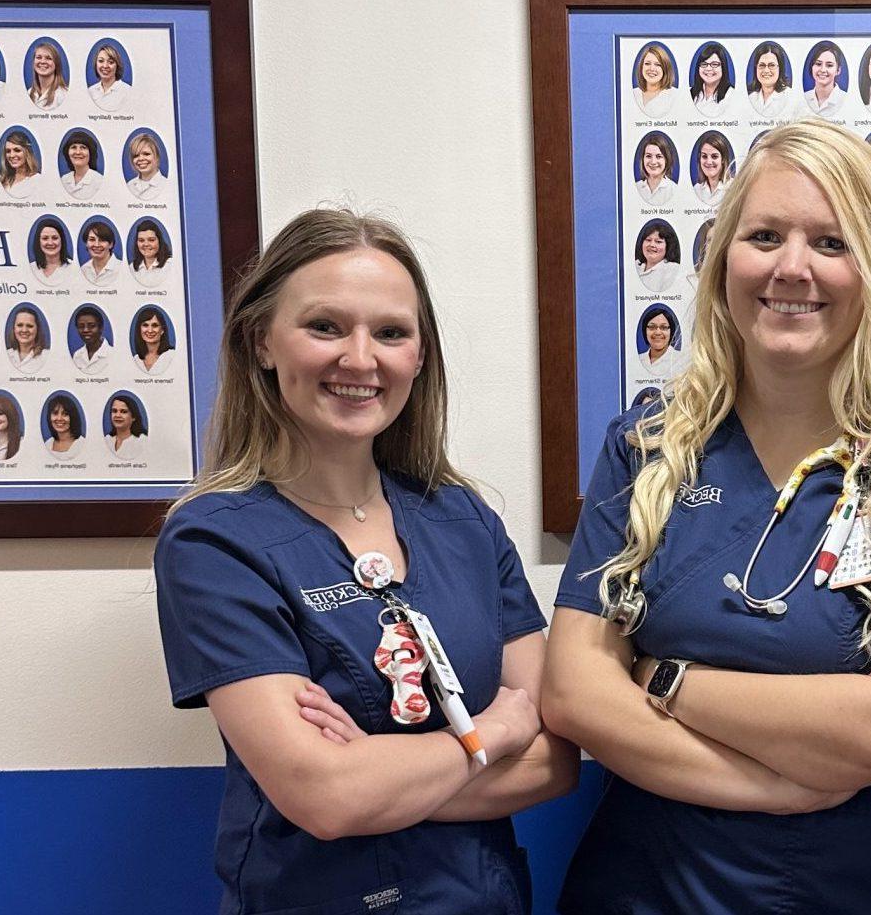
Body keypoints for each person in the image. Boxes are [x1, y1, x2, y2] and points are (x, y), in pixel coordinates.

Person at [542, 118, 871, 913]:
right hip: (656, 885)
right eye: (765, 235)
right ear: (722, 261)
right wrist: (770, 788)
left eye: (831, 242)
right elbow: (575, 690)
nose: (792, 267)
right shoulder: (646, 446)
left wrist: (665, 678)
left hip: (864, 886)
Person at [153, 207, 573, 914]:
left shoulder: (464, 520)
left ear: (418, 355)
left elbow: (556, 763)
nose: (360, 357)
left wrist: (376, 774)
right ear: (262, 341)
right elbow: (325, 795)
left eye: (390, 332)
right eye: (325, 326)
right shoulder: (213, 543)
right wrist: (493, 731)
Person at [745, 40, 802, 120]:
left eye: (772, 65)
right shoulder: (751, 98)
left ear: (780, 68)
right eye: (762, 65)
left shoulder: (791, 97)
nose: (766, 70)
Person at [632, 304, 682, 378]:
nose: (658, 332)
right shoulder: (638, 360)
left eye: (664, 327)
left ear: (671, 331)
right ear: (644, 330)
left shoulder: (680, 360)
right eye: (652, 327)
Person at [632, 219, 681, 294]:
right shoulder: (635, 265)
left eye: (658, 242)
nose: (652, 245)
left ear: (668, 246)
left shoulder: (673, 269)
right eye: (648, 240)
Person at [801, 40, 847, 118]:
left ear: (838, 70)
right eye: (818, 64)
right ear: (812, 67)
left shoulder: (845, 99)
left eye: (829, 65)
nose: (822, 70)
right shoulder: (803, 98)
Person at [688, 41, 734, 118]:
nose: (708, 68)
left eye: (714, 64)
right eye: (704, 64)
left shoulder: (731, 95)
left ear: (723, 67)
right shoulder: (690, 93)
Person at [631, 41, 678, 117]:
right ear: (641, 67)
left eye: (658, 65)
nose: (652, 68)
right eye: (647, 63)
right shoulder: (633, 93)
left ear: (665, 69)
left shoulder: (675, 96)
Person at [690, 130, 733, 207]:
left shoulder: (733, 187)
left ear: (723, 159)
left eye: (714, 156)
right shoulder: (696, 189)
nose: (709, 162)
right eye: (704, 156)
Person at [633, 132, 676, 207]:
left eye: (659, 156)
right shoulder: (636, 187)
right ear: (643, 159)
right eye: (648, 156)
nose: (653, 162)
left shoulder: (673, 189)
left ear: (667, 160)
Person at [88, 39, 132, 111]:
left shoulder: (128, 92)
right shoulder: (90, 91)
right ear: (96, 64)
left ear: (117, 65)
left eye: (111, 62)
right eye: (101, 61)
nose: (105, 66)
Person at [59, 129, 103, 200]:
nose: (78, 152)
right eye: (73, 147)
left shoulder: (99, 181)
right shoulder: (63, 179)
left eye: (83, 147)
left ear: (91, 153)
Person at [80, 218, 124, 287]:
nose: (96, 245)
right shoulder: (83, 269)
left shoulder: (122, 269)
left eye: (102, 240)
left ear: (111, 244)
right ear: (86, 243)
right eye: (92, 239)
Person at [0, 130, 43, 200]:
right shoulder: (1, 179)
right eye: (8, 151)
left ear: (27, 152)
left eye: (17, 150)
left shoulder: (37, 180)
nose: (12, 155)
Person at [29, 217, 73, 287]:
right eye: (45, 238)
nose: (50, 243)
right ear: (38, 241)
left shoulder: (73, 267)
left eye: (55, 238)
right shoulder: (31, 268)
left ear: (62, 240)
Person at [125, 132, 168, 202]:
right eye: (136, 155)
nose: (141, 158)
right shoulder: (130, 185)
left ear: (157, 157)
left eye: (146, 154)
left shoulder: (166, 185)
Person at [132, 307, 175, 375]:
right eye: (145, 325)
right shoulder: (136, 360)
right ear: (139, 330)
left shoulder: (172, 356)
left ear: (162, 330)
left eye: (155, 325)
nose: (150, 330)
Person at [27, 39, 68, 109]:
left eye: (48, 58)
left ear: (56, 64)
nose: (42, 61)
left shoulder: (64, 95)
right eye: (39, 57)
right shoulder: (29, 92)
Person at [6, 305, 47, 374]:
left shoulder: (46, 355)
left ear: (37, 329)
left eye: (30, 326)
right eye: (20, 325)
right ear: (14, 328)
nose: (24, 330)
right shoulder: (6, 354)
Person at [104, 392, 145, 460]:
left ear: (133, 417)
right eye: (114, 411)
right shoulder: (107, 439)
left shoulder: (141, 441)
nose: (117, 415)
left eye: (123, 411)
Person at [70, 305, 110, 373]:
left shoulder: (112, 354)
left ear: (101, 328)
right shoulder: (77, 355)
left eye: (91, 326)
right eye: (81, 326)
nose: (85, 330)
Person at [44, 395, 85, 460]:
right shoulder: (48, 444)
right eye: (55, 413)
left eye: (65, 414)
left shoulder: (82, 445)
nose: (59, 418)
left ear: (73, 417)